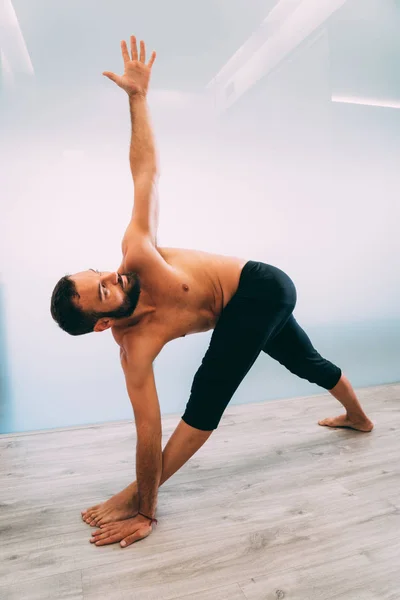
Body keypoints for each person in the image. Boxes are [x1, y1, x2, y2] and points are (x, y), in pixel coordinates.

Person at [50, 35, 374, 549]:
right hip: (240, 314)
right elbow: (149, 430)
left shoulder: (137, 254)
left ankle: (135, 494)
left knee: (208, 392)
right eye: (104, 293)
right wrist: (148, 504)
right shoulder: (134, 348)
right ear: (103, 323)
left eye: (100, 275)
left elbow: (146, 173)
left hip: (262, 285)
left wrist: (137, 99)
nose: (112, 277)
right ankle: (359, 418)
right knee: (304, 361)